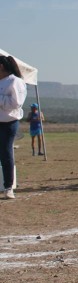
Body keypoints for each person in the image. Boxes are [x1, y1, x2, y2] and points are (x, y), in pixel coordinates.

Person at [0, 55, 27, 199]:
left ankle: (8, 187)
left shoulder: (15, 81)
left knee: (6, 152)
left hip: (8, 123)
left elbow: (16, 103)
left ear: (1, 66)